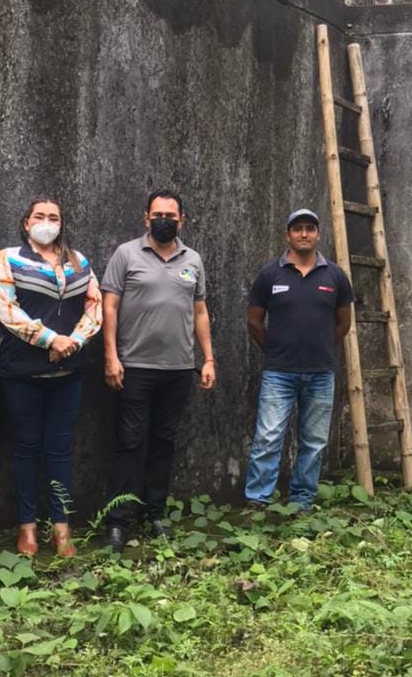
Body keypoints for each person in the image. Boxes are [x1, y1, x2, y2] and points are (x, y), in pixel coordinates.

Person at [101, 190, 216, 552]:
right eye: (157, 215)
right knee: (129, 443)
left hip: (178, 368)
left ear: (182, 220)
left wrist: (208, 359)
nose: (163, 220)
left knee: (164, 443)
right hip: (134, 366)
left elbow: (200, 311)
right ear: (146, 218)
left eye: (171, 215)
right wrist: (110, 356)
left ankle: (154, 513)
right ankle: (118, 522)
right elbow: (109, 306)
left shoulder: (192, 259)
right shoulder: (126, 254)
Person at [0, 197, 103, 558]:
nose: (47, 222)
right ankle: (27, 526)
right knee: (25, 448)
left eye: (54, 217)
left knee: (60, 450)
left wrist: (72, 343)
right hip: (23, 371)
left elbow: (95, 307)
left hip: (68, 371)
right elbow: (5, 308)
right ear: (26, 223)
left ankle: (61, 526)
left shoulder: (79, 261)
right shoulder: (9, 258)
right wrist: (50, 339)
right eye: (40, 216)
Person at [243, 209, 353, 511]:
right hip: (279, 373)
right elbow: (254, 321)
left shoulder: (335, 276)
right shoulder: (270, 275)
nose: (304, 234)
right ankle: (258, 500)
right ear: (287, 235)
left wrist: (319, 347)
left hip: (321, 374)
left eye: (310, 228)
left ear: (318, 235)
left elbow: (344, 323)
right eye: (297, 229)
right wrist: (276, 350)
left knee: (314, 442)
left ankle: (302, 503)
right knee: (268, 438)